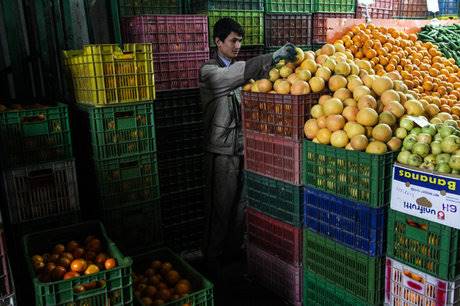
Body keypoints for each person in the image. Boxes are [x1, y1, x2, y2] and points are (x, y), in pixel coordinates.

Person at [199, 17, 297, 282]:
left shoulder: (245, 70)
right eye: (232, 40)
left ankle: (231, 255)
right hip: (221, 150)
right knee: (220, 206)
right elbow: (234, 76)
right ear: (218, 42)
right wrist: (272, 57)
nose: (237, 45)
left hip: (246, 147)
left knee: (242, 204)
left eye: (240, 40)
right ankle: (211, 258)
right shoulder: (209, 71)